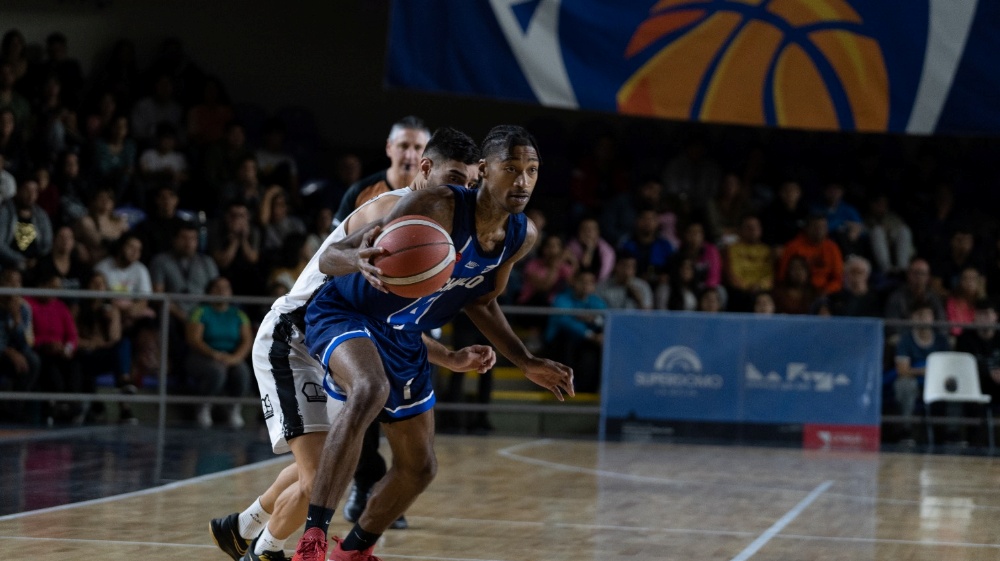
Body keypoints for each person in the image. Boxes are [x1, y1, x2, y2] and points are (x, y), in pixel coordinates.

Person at [290, 125, 574, 561]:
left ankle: (353, 552)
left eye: (532, 170)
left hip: (403, 334)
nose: (522, 181)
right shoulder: (436, 204)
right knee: (370, 387)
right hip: (349, 311)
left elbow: (481, 301)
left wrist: (525, 360)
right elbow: (330, 257)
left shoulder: (521, 236)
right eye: (511, 168)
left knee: (420, 467)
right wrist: (356, 259)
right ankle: (312, 539)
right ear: (484, 170)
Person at [208, 127, 487, 561]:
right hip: (294, 338)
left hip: (338, 346)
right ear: (425, 168)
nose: (463, 193)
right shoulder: (392, 210)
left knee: (331, 460)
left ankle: (242, 528)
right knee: (320, 475)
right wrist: (354, 257)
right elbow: (329, 259)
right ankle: (263, 551)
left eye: (470, 184)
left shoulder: (440, 231)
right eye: (454, 179)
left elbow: (390, 323)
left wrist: (448, 357)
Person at [332, 116, 430, 226]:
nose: (409, 155)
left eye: (418, 147)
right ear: (389, 147)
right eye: (403, 146)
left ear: (427, 152)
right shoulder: (359, 191)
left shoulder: (434, 196)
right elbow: (335, 235)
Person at [185, 276, 251, 428]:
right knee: (217, 371)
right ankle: (204, 406)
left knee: (242, 372)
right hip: (203, 355)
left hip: (230, 356)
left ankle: (234, 407)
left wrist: (235, 358)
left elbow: (247, 341)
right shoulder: (201, 311)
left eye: (226, 288)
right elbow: (194, 340)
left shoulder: (238, 314)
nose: (222, 291)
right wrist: (214, 354)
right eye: (217, 288)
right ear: (209, 292)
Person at [892, 302, 951, 443]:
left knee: (953, 386)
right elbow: (902, 370)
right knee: (904, 385)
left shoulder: (941, 341)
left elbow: (948, 369)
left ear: (933, 318)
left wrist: (933, 374)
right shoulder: (905, 340)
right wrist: (922, 371)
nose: (923, 319)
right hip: (915, 381)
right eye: (919, 315)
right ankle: (906, 430)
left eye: (926, 315)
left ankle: (951, 433)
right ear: (912, 318)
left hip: (938, 382)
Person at [546, 270, 606, 392]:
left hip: (587, 343)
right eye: (582, 282)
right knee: (566, 344)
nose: (586, 285)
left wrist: (595, 320)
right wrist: (589, 334)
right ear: (574, 282)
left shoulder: (596, 301)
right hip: (561, 343)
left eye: (590, 282)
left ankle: (586, 390)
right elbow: (564, 321)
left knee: (591, 355)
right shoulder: (562, 298)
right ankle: (563, 388)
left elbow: (606, 318)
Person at [0, 268, 39, 423]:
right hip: (4, 351)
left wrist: (17, 321)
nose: (15, 286)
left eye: (18, 282)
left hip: (15, 354)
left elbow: (27, 344)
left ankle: (13, 410)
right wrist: (8, 351)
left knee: (33, 360)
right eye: (10, 282)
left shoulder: (24, 307)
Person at [777, 213, 844, 295]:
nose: (820, 231)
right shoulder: (793, 247)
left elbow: (838, 278)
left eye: (823, 227)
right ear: (807, 228)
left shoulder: (832, 247)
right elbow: (782, 276)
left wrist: (826, 291)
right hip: (798, 292)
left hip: (824, 292)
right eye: (816, 227)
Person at [0, 177, 54, 275]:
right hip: (9, 264)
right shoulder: (5, 211)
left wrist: (36, 260)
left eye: (34, 191)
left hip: (35, 264)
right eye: (27, 190)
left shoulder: (41, 215)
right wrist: (21, 260)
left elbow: (47, 244)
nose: (31, 195)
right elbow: (1, 244)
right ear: (18, 190)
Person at [884, 257, 946, 340]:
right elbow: (892, 327)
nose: (919, 277)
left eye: (922, 273)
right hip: (905, 340)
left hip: (929, 340)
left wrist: (928, 336)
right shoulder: (896, 298)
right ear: (908, 274)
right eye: (916, 273)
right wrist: (916, 336)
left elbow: (942, 325)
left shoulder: (934, 298)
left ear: (928, 277)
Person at [723, 214, 774, 312]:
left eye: (756, 227)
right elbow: (732, 274)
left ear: (761, 229)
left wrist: (760, 286)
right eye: (748, 227)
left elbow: (770, 275)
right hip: (741, 292)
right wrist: (748, 287)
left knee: (765, 299)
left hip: (762, 290)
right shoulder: (733, 249)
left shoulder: (767, 251)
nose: (753, 230)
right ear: (741, 230)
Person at [955, 300, 1000, 405]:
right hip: (975, 381)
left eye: (987, 314)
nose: (983, 318)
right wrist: (989, 372)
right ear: (974, 316)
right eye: (980, 314)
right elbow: (961, 366)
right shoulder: (964, 338)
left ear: (996, 316)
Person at [945, 267, 984, 336]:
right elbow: (954, 328)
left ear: (978, 282)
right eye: (965, 278)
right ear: (960, 282)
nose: (969, 282)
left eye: (973, 279)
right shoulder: (952, 301)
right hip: (959, 337)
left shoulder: (984, 302)